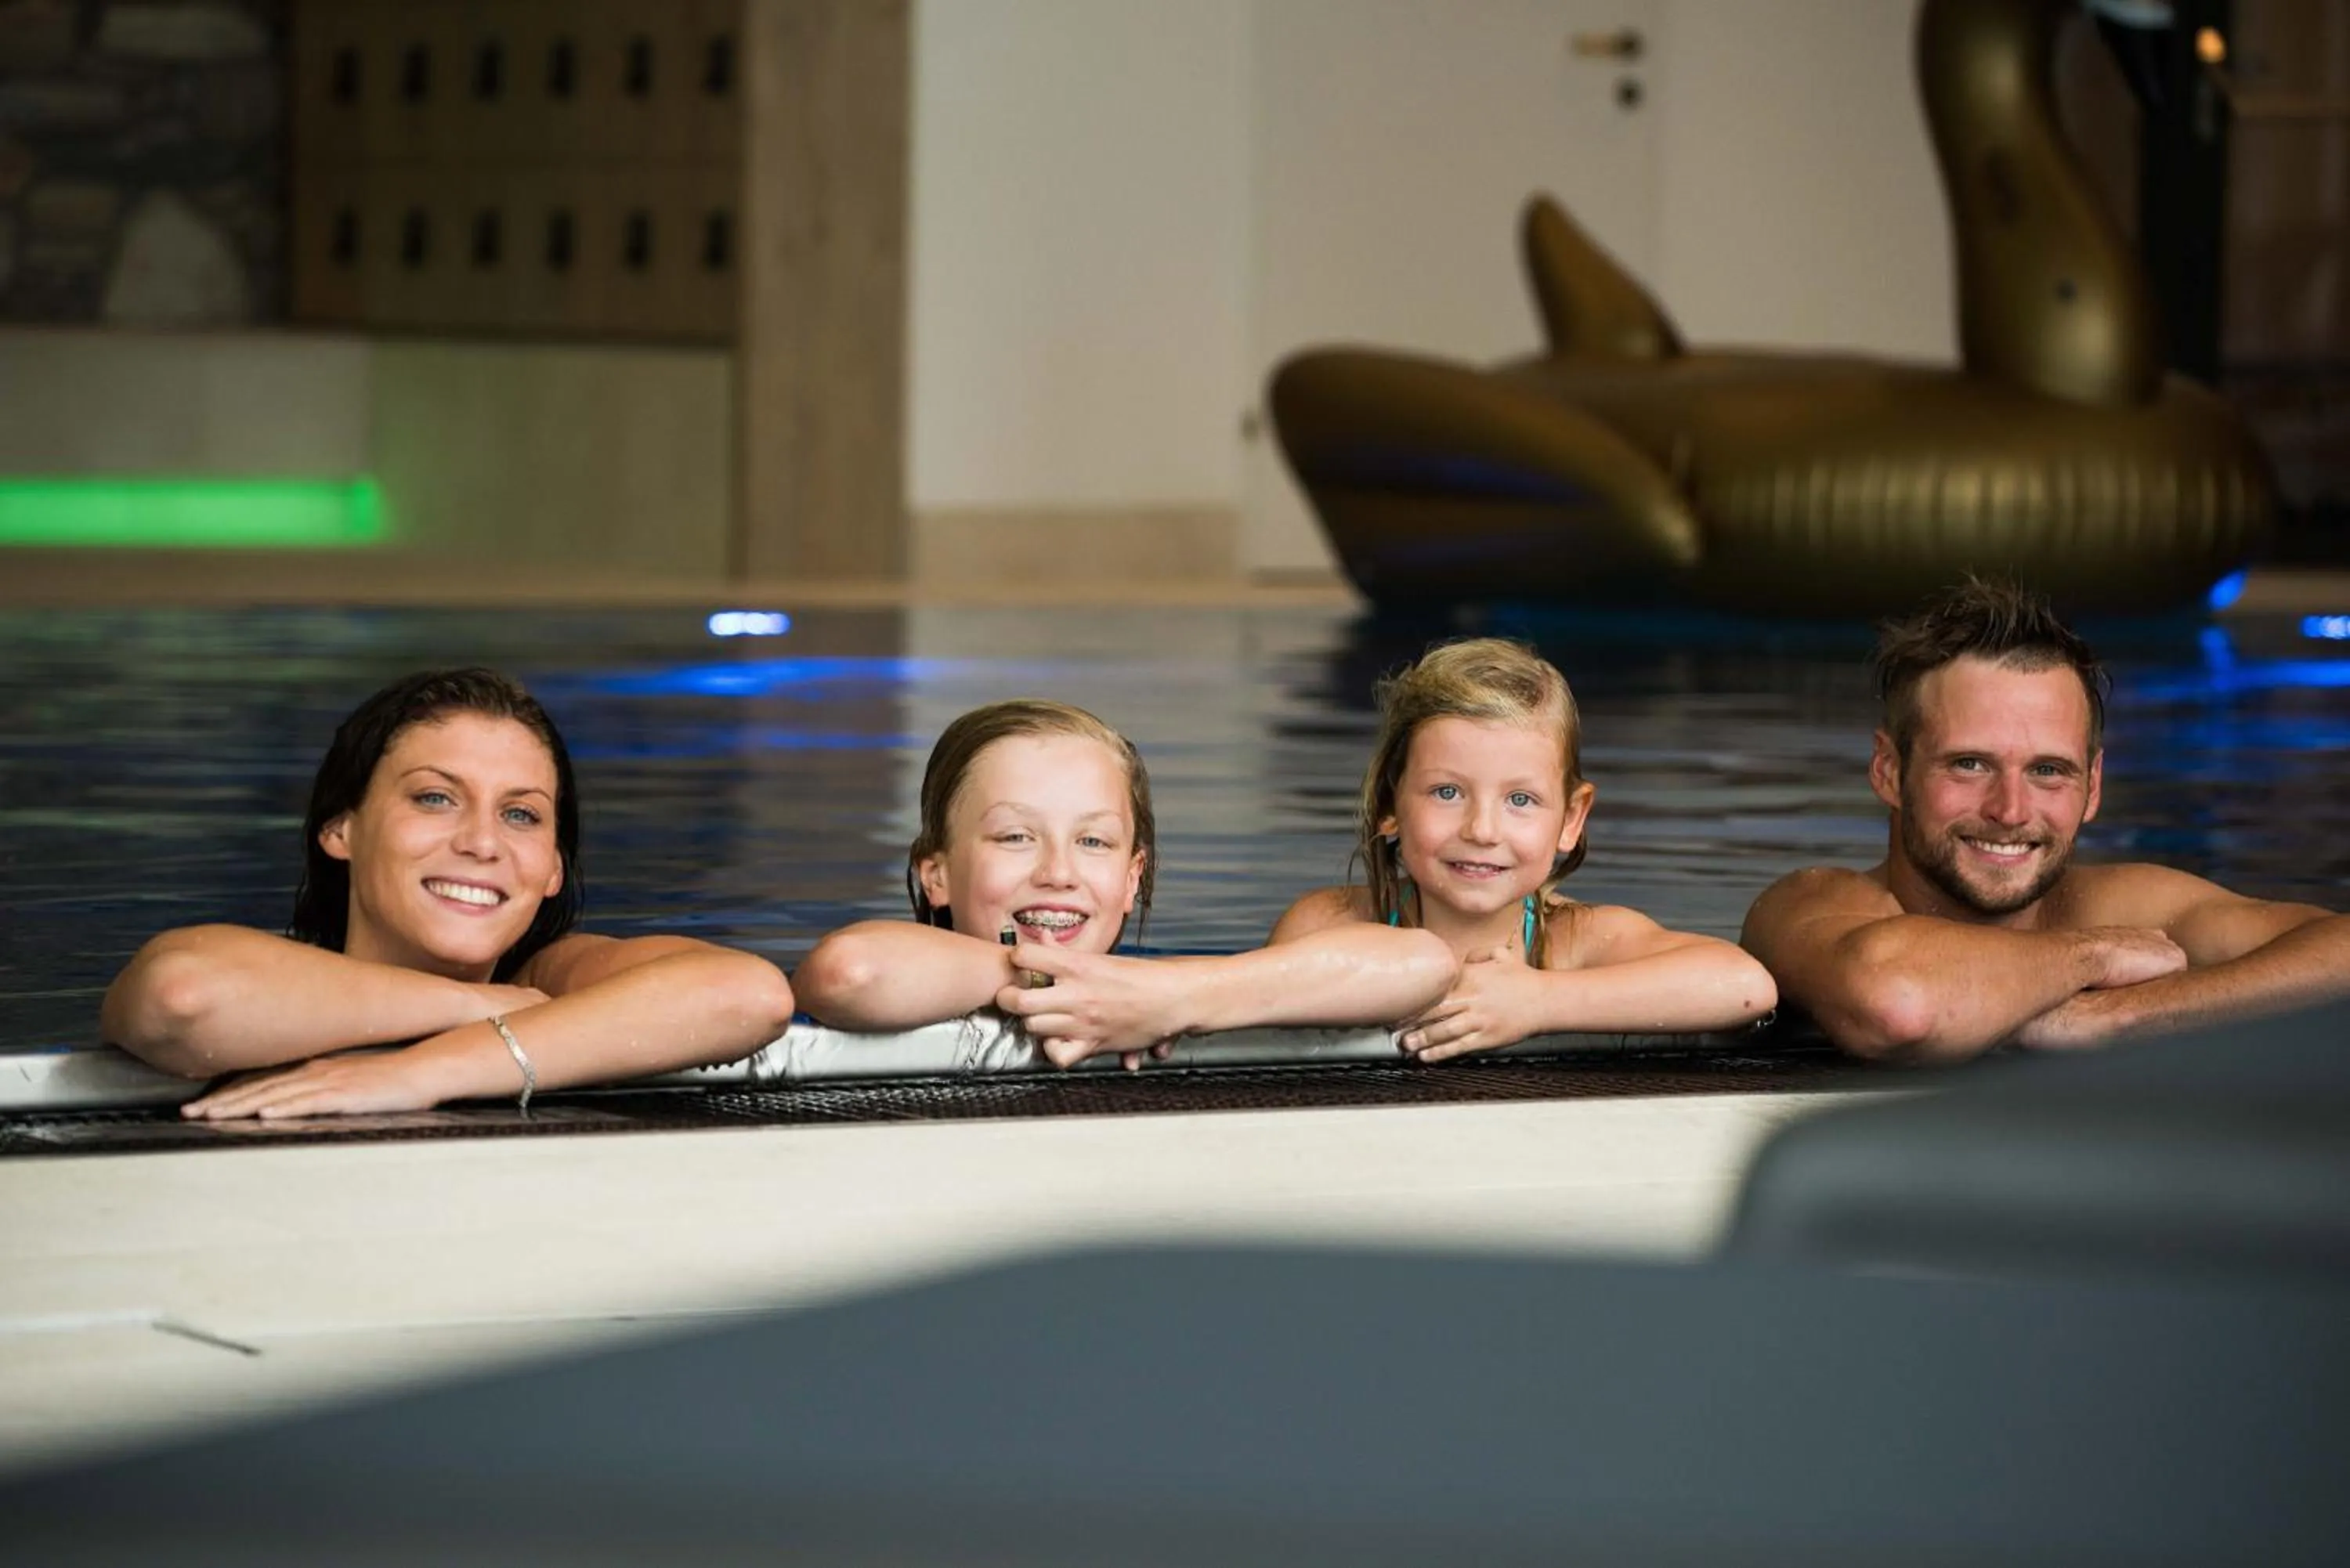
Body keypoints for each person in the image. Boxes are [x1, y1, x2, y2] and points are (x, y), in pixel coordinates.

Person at [102, 667, 796, 1118]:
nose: (483, 842)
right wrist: (477, 1003)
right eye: (435, 798)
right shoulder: (526, 999)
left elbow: (748, 996)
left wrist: (420, 1073)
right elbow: (181, 999)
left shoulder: (552, 975)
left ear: (553, 867)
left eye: (520, 813)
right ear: (341, 828)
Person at [1741, 578, 2350, 1060]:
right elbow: (1901, 1004)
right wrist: (2093, 961)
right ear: (1889, 771)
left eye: (2049, 771)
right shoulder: (1814, 903)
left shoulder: (2130, 903)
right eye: (1971, 764)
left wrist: (2121, 1016)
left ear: (2093, 788)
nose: (2010, 811)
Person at [794, 699, 1455, 1066]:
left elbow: (1421, 962)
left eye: (1093, 841)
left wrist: (1172, 997)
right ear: (934, 874)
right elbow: (850, 973)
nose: (1057, 873)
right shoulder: (903, 974)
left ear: (1133, 877)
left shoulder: (1158, 990)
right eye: (1015, 836)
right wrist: (1055, 983)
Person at [1272, 638, 1776, 1059]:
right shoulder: (1331, 925)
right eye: (1447, 792)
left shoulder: (1576, 943)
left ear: (1571, 818)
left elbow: (1743, 985)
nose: (1483, 830)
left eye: (1520, 799)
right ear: (1390, 805)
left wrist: (1538, 1002)